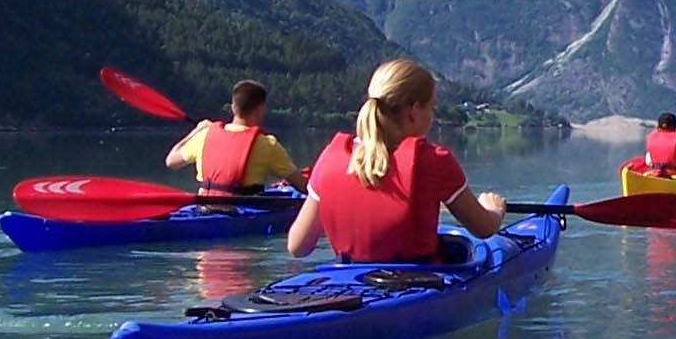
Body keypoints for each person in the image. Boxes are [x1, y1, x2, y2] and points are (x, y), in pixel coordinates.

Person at [287, 59, 505, 262]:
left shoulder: (330, 158)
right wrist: (494, 210)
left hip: (349, 284)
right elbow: (483, 228)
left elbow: (298, 247)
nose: (433, 115)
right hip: (419, 282)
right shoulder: (434, 161)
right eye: (431, 107)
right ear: (414, 110)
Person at [165, 79, 308, 197]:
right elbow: (303, 187)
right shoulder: (268, 145)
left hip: (204, 208)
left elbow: (171, 161)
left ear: (233, 108)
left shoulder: (205, 135)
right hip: (243, 214)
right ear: (260, 110)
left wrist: (196, 131)